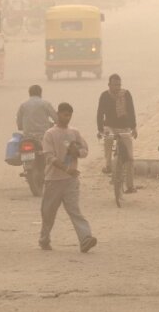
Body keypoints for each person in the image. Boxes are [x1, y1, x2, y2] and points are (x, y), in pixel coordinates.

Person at [39, 102, 97, 253]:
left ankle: (85, 238)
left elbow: (85, 150)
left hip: (70, 181)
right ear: (58, 114)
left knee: (74, 211)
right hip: (53, 180)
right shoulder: (50, 134)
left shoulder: (74, 132)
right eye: (65, 114)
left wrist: (76, 152)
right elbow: (49, 157)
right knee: (48, 213)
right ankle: (44, 239)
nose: (68, 117)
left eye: (70, 115)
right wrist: (66, 169)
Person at [96, 74, 138, 193]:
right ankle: (108, 164)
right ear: (109, 85)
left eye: (119, 84)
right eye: (115, 85)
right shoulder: (104, 96)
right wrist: (100, 130)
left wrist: (134, 127)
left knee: (130, 158)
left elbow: (131, 110)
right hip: (109, 126)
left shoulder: (126, 94)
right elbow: (100, 114)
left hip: (125, 128)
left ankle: (130, 186)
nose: (118, 87)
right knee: (108, 139)